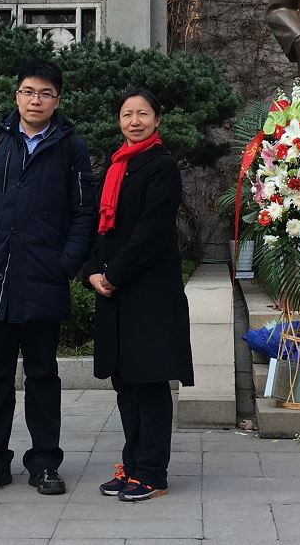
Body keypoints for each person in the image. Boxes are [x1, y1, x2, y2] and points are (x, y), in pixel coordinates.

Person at [0, 59, 95, 496]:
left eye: (45, 94)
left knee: (43, 377)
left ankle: (45, 462)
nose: (36, 100)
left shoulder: (71, 147)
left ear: (58, 100)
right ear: (17, 95)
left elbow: (83, 213)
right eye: (29, 92)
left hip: (43, 278)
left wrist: (65, 264)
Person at [86, 87, 194, 502]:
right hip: (115, 292)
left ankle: (152, 472)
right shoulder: (116, 164)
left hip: (148, 292)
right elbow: (98, 225)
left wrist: (114, 274)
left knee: (148, 382)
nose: (134, 121)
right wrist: (92, 271)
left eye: (143, 113)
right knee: (125, 383)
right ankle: (132, 465)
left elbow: (152, 231)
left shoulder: (161, 165)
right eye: (127, 114)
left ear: (157, 120)